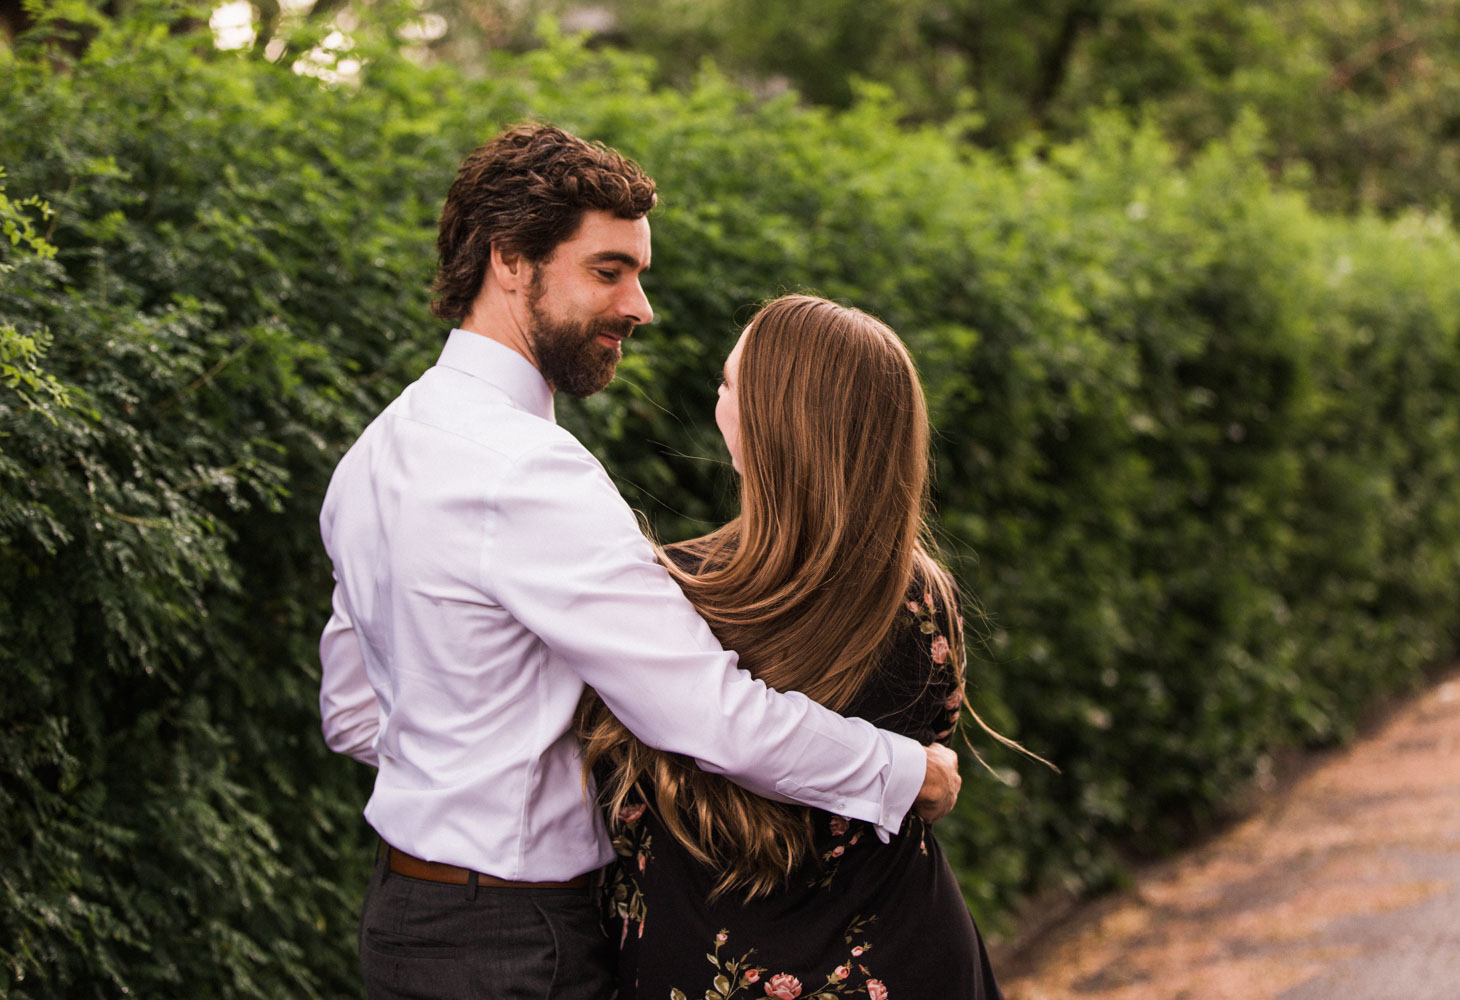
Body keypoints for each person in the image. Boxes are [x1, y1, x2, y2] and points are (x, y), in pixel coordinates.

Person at [316, 124, 963, 1000]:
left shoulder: (376, 452)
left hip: (405, 923)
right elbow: (709, 715)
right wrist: (903, 771)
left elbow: (353, 714)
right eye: (607, 270)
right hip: (519, 942)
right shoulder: (531, 473)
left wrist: (465, 764)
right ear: (511, 261)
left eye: (639, 275)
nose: (639, 307)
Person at [577, 295, 1012, 1000]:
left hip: (710, 974)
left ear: (766, 421)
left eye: (727, 384)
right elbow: (933, 744)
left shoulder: (665, 595)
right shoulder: (923, 596)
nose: (718, 399)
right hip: (910, 958)